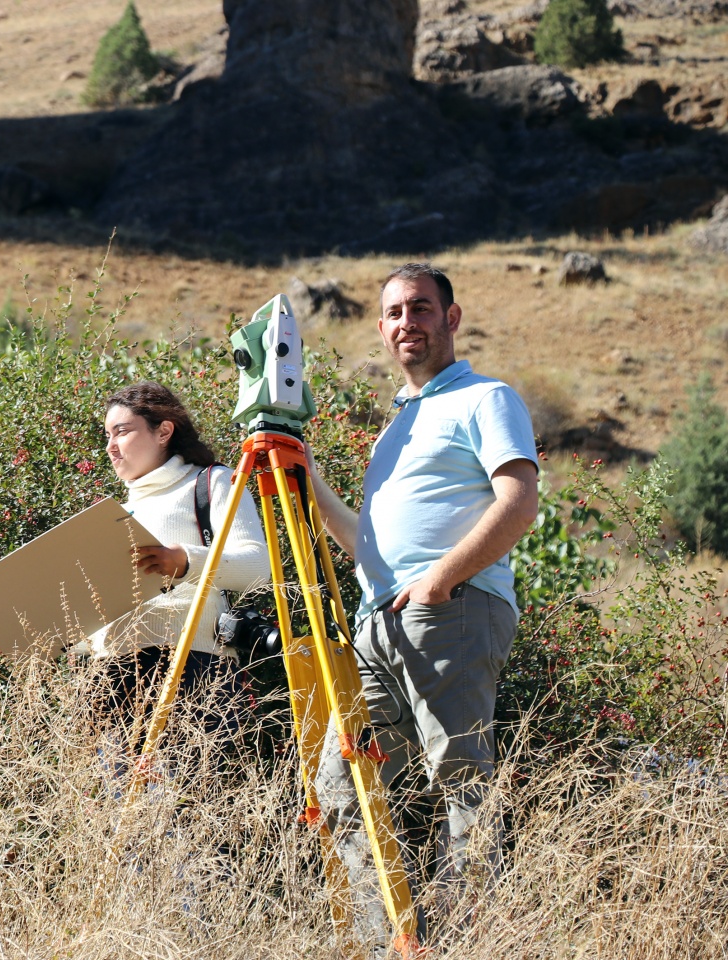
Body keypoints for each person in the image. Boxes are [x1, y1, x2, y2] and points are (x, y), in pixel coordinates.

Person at [306, 263, 539, 940]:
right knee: (343, 787)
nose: (409, 322)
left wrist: (439, 580)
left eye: (422, 308)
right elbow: (366, 544)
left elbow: (518, 503)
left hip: (451, 611)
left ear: (451, 318)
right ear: (382, 330)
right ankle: (394, 944)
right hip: (379, 625)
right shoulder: (394, 430)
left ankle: (475, 937)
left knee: (463, 781)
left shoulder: (486, 398)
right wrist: (309, 477)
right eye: (395, 313)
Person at [80, 382, 273, 772]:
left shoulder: (211, 481)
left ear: (164, 431)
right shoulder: (117, 510)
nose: (110, 447)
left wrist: (183, 562)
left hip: (191, 667)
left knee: (181, 811)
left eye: (122, 431)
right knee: (125, 819)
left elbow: (258, 566)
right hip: (111, 676)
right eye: (107, 436)